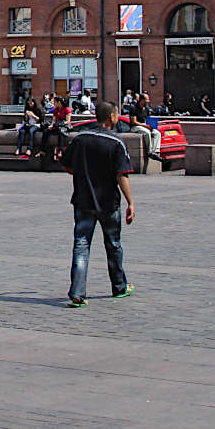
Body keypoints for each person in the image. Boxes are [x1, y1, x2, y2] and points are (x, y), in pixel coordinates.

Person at [62, 100, 136, 307]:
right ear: (112, 117)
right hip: (108, 202)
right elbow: (122, 176)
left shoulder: (80, 139)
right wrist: (131, 202)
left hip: (83, 200)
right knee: (113, 244)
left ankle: (77, 293)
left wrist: (83, 175)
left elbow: (67, 165)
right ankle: (119, 287)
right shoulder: (116, 142)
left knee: (81, 245)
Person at [128, 92, 162, 162]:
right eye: (147, 99)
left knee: (157, 133)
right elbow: (133, 122)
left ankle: (155, 151)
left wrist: (151, 125)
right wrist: (146, 126)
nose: (148, 101)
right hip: (135, 127)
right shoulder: (134, 108)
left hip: (143, 125)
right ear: (142, 100)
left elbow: (147, 119)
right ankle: (149, 152)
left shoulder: (146, 109)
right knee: (146, 132)